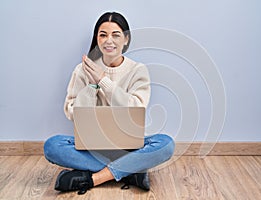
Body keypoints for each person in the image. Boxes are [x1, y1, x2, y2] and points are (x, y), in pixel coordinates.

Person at [43, 11, 175, 195]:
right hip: (92, 147)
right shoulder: (83, 70)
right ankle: (130, 171)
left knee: (166, 144)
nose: (108, 41)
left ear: (126, 39)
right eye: (103, 35)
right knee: (52, 145)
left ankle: (93, 178)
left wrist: (104, 80)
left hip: (129, 147)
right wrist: (92, 84)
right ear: (97, 38)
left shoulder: (138, 70)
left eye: (116, 35)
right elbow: (72, 112)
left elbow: (136, 109)